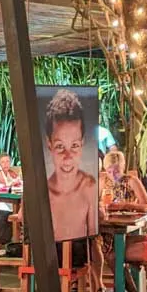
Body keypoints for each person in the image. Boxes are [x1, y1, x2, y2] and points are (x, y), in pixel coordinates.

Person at [44, 89, 97, 241]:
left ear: (82, 144)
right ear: (50, 145)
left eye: (74, 146)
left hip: (79, 260)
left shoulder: (89, 187)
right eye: (60, 146)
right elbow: (25, 222)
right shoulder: (42, 190)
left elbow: (93, 239)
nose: (67, 157)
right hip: (48, 260)